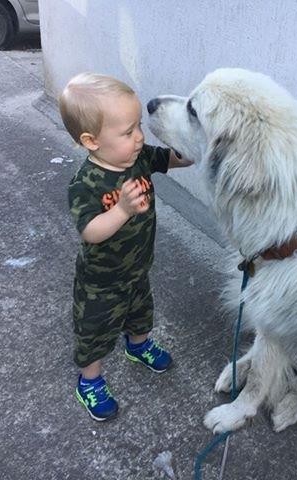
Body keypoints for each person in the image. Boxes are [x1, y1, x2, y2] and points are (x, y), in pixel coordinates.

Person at [59, 72, 193, 421]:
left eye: (138, 127)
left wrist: (190, 150)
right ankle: (90, 381)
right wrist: (121, 211)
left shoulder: (139, 158)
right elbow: (91, 230)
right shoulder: (86, 183)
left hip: (137, 269)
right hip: (100, 282)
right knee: (94, 332)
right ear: (91, 141)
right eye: (128, 131)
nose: (139, 137)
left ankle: (138, 345)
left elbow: (171, 159)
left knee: (140, 312)